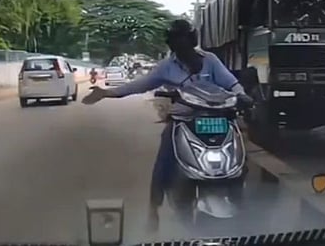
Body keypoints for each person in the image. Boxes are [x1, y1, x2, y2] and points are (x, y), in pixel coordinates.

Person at [82, 18, 248, 231]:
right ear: (171, 44)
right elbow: (139, 85)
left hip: (219, 118)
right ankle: (153, 210)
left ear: (192, 40)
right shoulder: (166, 67)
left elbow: (231, 83)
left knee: (240, 157)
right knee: (165, 160)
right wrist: (107, 92)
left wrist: (242, 95)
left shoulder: (210, 60)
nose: (181, 45)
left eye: (184, 40)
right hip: (184, 120)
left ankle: (240, 195)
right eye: (176, 41)